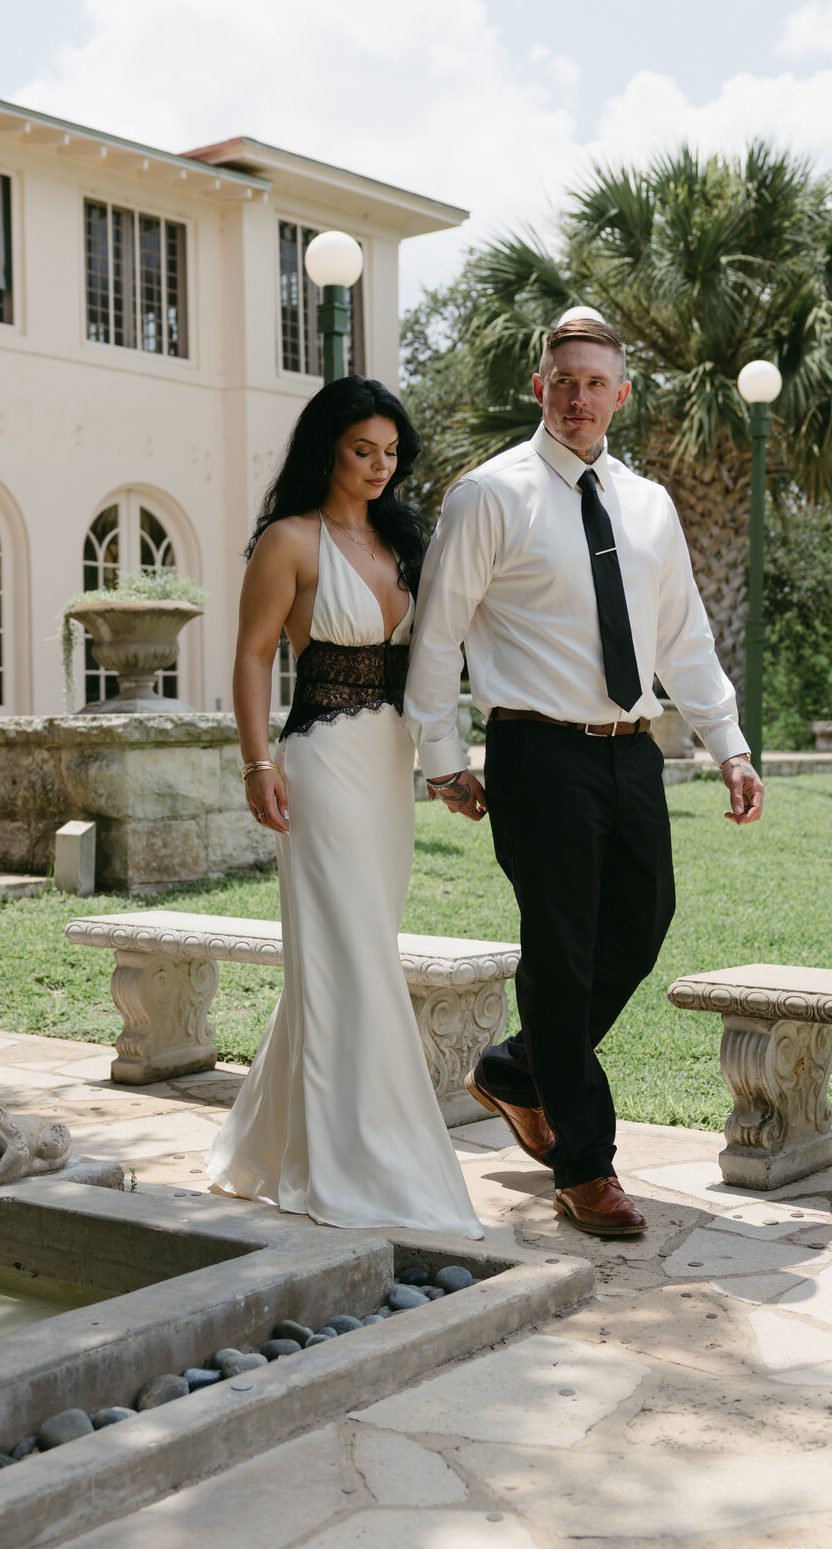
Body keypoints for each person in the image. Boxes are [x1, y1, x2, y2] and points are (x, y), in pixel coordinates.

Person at [404, 313, 763, 1238]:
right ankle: (585, 1164)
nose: (578, 397)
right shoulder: (489, 495)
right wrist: (443, 759)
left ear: (620, 395)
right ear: (540, 387)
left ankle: (521, 1069)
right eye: (563, 380)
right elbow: (437, 632)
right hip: (539, 751)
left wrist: (728, 742)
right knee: (560, 953)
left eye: (595, 383)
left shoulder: (648, 504)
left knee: (642, 924)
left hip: (631, 746)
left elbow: (684, 634)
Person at [207, 375, 482, 1240]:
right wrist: (258, 763)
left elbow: (438, 657)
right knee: (354, 957)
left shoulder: (405, 541)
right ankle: (361, 1158)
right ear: (328, 446)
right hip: (320, 761)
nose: (379, 466)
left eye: (392, 453)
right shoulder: (290, 541)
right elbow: (253, 657)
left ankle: (271, 1140)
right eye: (363, 449)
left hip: (390, 766)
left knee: (346, 956)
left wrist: (447, 766)